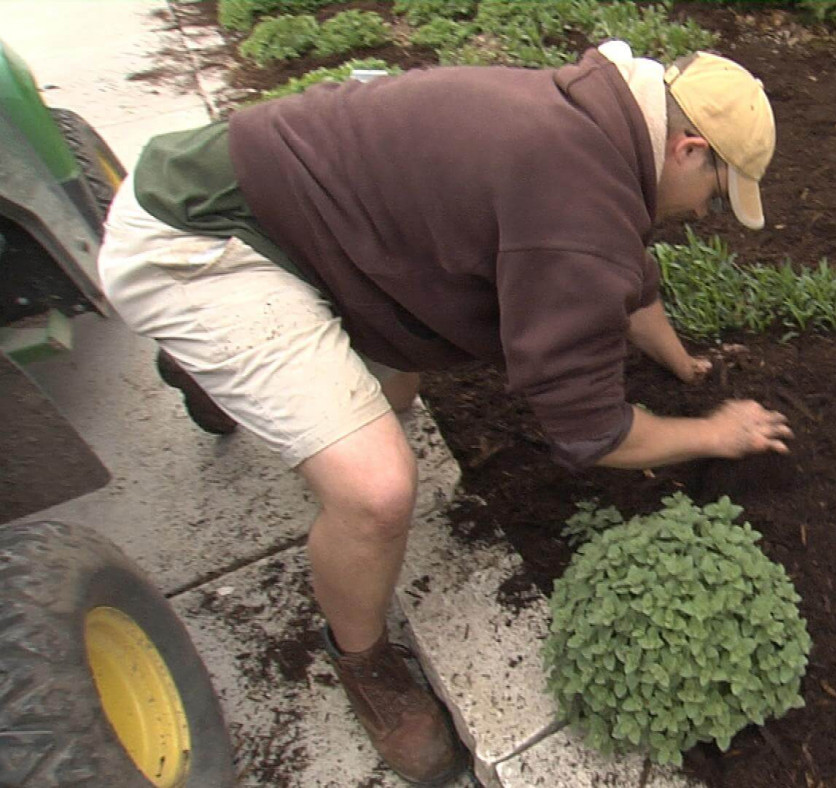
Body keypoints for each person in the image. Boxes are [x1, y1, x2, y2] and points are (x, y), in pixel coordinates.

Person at [97, 39, 792, 783]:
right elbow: (593, 432)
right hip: (199, 242)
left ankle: (220, 365)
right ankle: (362, 659)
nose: (705, 212)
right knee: (376, 491)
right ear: (689, 149)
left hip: (291, 213)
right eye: (716, 193)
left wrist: (682, 363)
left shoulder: (598, 118)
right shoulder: (574, 205)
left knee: (397, 391)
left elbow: (625, 273)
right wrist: (714, 433)